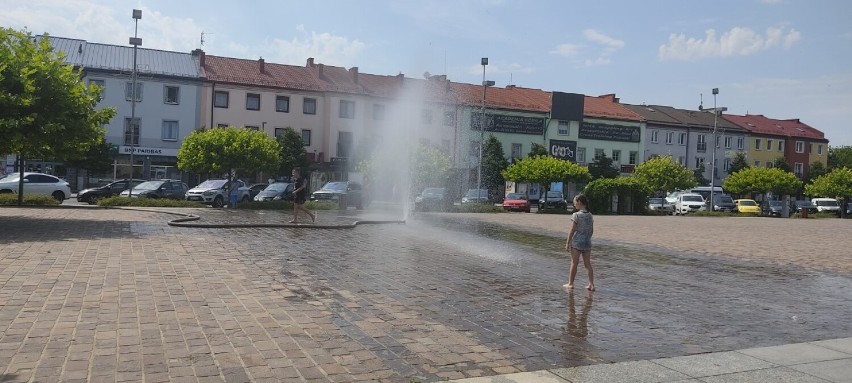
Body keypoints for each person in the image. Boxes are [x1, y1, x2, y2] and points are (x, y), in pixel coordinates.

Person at [564, 194, 595, 291]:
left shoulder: (576, 215)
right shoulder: (590, 215)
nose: (574, 205)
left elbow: (572, 230)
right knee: (588, 264)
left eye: (574, 203)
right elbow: (591, 230)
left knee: (574, 263)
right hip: (587, 242)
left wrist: (568, 242)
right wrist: (587, 238)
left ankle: (571, 283)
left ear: (579, 203)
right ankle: (591, 284)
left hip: (577, 242)